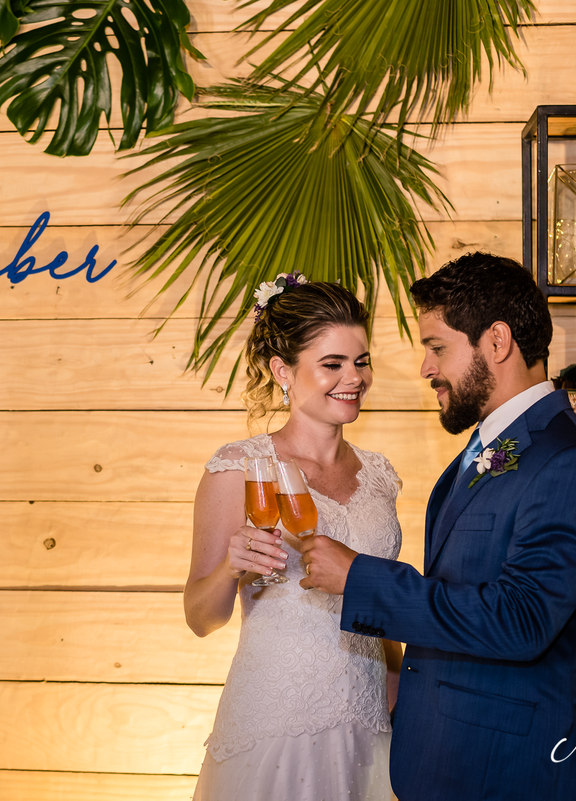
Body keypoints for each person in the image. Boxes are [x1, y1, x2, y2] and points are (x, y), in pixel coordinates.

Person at [301, 252, 576, 801]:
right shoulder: (496, 448)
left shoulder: (574, 462)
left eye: (436, 348)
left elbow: (521, 620)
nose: (426, 369)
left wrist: (361, 577)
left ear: (496, 342)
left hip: (513, 773)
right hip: (450, 760)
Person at [186, 273, 402, 800]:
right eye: (332, 364)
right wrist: (230, 567)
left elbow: (380, 602)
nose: (353, 378)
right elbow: (200, 616)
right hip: (278, 720)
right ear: (283, 370)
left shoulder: (380, 476)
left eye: (362, 360)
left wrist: (404, 702)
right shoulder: (239, 469)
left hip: (372, 721)